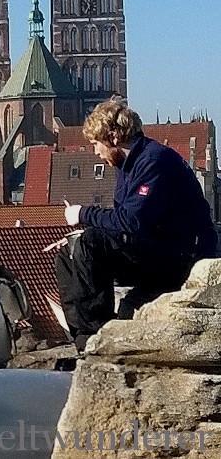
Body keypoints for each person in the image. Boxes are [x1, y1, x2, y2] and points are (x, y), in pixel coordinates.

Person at [52, 100, 217, 352]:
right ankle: (83, 339)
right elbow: (126, 219)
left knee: (88, 245)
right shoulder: (128, 166)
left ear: (114, 137)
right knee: (68, 254)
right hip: (157, 249)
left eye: (96, 144)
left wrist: (82, 213)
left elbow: (133, 221)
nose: (95, 152)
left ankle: (98, 335)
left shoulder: (154, 161)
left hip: (183, 256)